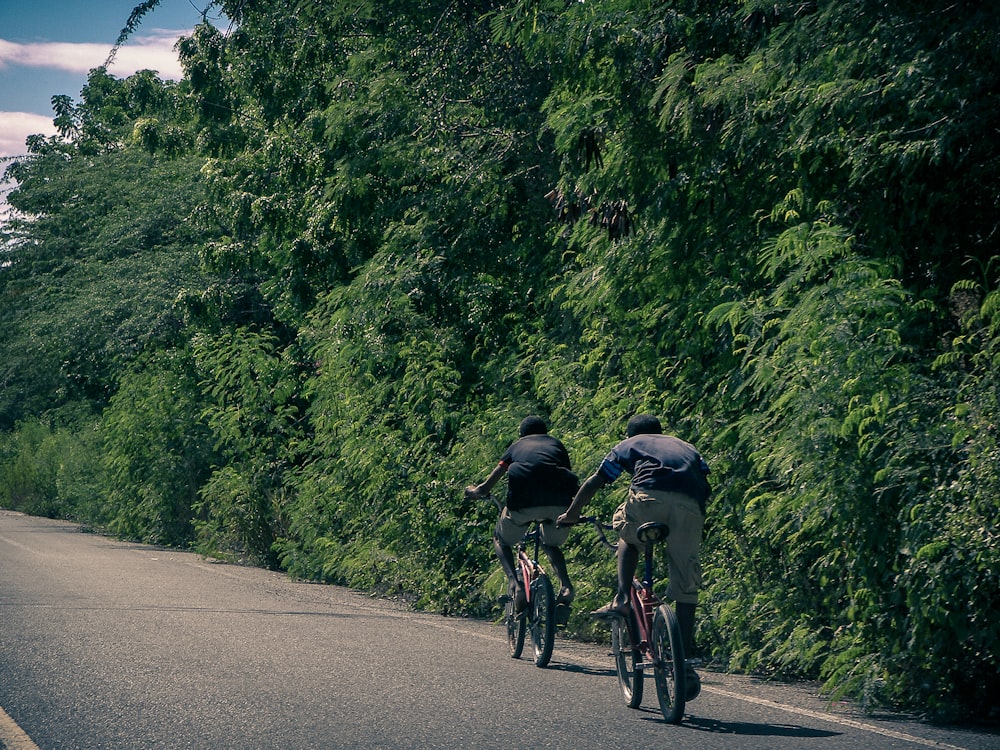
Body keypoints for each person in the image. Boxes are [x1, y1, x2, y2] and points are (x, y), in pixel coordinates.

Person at [557, 413, 709, 699]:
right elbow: (704, 480)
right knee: (687, 586)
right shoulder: (686, 446)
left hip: (649, 497)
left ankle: (623, 598)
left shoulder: (630, 445)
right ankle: (683, 661)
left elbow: (595, 481)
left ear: (630, 434)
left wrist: (571, 515)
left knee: (625, 527)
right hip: (691, 504)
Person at [465, 416, 579, 613]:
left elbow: (488, 485)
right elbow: (566, 475)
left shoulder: (517, 446)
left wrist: (473, 492)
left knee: (500, 540)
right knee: (549, 542)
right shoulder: (556, 445)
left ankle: (515, 584)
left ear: (522, 433)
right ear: (545, 432)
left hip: (522, 504)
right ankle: (566, 586)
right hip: (560, 506)